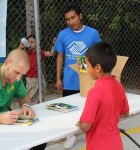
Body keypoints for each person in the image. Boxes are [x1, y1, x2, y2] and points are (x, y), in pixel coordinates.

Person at [54, 4, 101, 149]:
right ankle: (70, 135)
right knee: (69, 109)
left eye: (73, 18)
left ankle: (93, 133)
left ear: (80, 16)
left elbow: (98, 54)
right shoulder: (63, 34)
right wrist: (58, 78)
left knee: (90, 107)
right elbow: (60, 56)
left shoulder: (92, 33)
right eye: (67, 19)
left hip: (87, 77)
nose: (71, 22)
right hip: (69, 79)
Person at [0, 49, 47, 150]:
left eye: (22, 74)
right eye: (17, 72)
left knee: (40, 141)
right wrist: (0, 119)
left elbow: (23, 97)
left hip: (6, 124)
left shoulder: (16, 79)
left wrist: (25, 105)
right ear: (7, 62)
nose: (18, 78)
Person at [77, 42, 129, 150]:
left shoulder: (94, 92)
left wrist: (79, 124)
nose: (86, 69)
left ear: (97, 68)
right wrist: (108, 119)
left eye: (88, 65)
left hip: (98, 146)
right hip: (116, 144)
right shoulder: (118, 86)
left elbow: (86, 126)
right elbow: (125, 113)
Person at [26, 34, 55, 104]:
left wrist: (54, 44)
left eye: (32, 42)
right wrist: (22, 46)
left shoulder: (40, 52)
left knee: (40, 94)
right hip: (30, 78)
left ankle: (40, 103)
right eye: (28, 42)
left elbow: (51, 53)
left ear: (37, 43)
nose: (30, 44)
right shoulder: (26, 52)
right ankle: (28, 106)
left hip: (39, 76)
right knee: (30, 95)